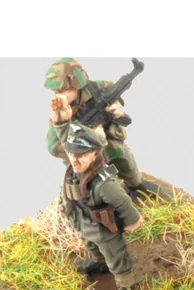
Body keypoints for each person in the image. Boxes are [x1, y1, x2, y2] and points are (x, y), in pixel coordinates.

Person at [45, 57, 155, 195]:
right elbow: (53, 146)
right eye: (55, 92)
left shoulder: (94, 88)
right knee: (96, 183)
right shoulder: (59, 114)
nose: (57, 96)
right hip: (84, 156)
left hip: (106, 139)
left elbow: (111, 88)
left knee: (123, 157)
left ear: (77, 85)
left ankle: (135, 185)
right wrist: (86, 139)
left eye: (62, 91)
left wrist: (113, 107)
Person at [61, 120, 144, 290]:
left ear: (93, 153)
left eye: (80, 155)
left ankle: (127, 287)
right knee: (91, 244)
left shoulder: (104, 183)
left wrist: (133, 221)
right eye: (72, 153)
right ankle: (99, 263)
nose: (74, 159)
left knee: (115, 255)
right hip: (83, 221)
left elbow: (123, 201)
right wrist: (66, 208)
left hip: (103, 228)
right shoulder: (74, 171)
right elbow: (68, 190)